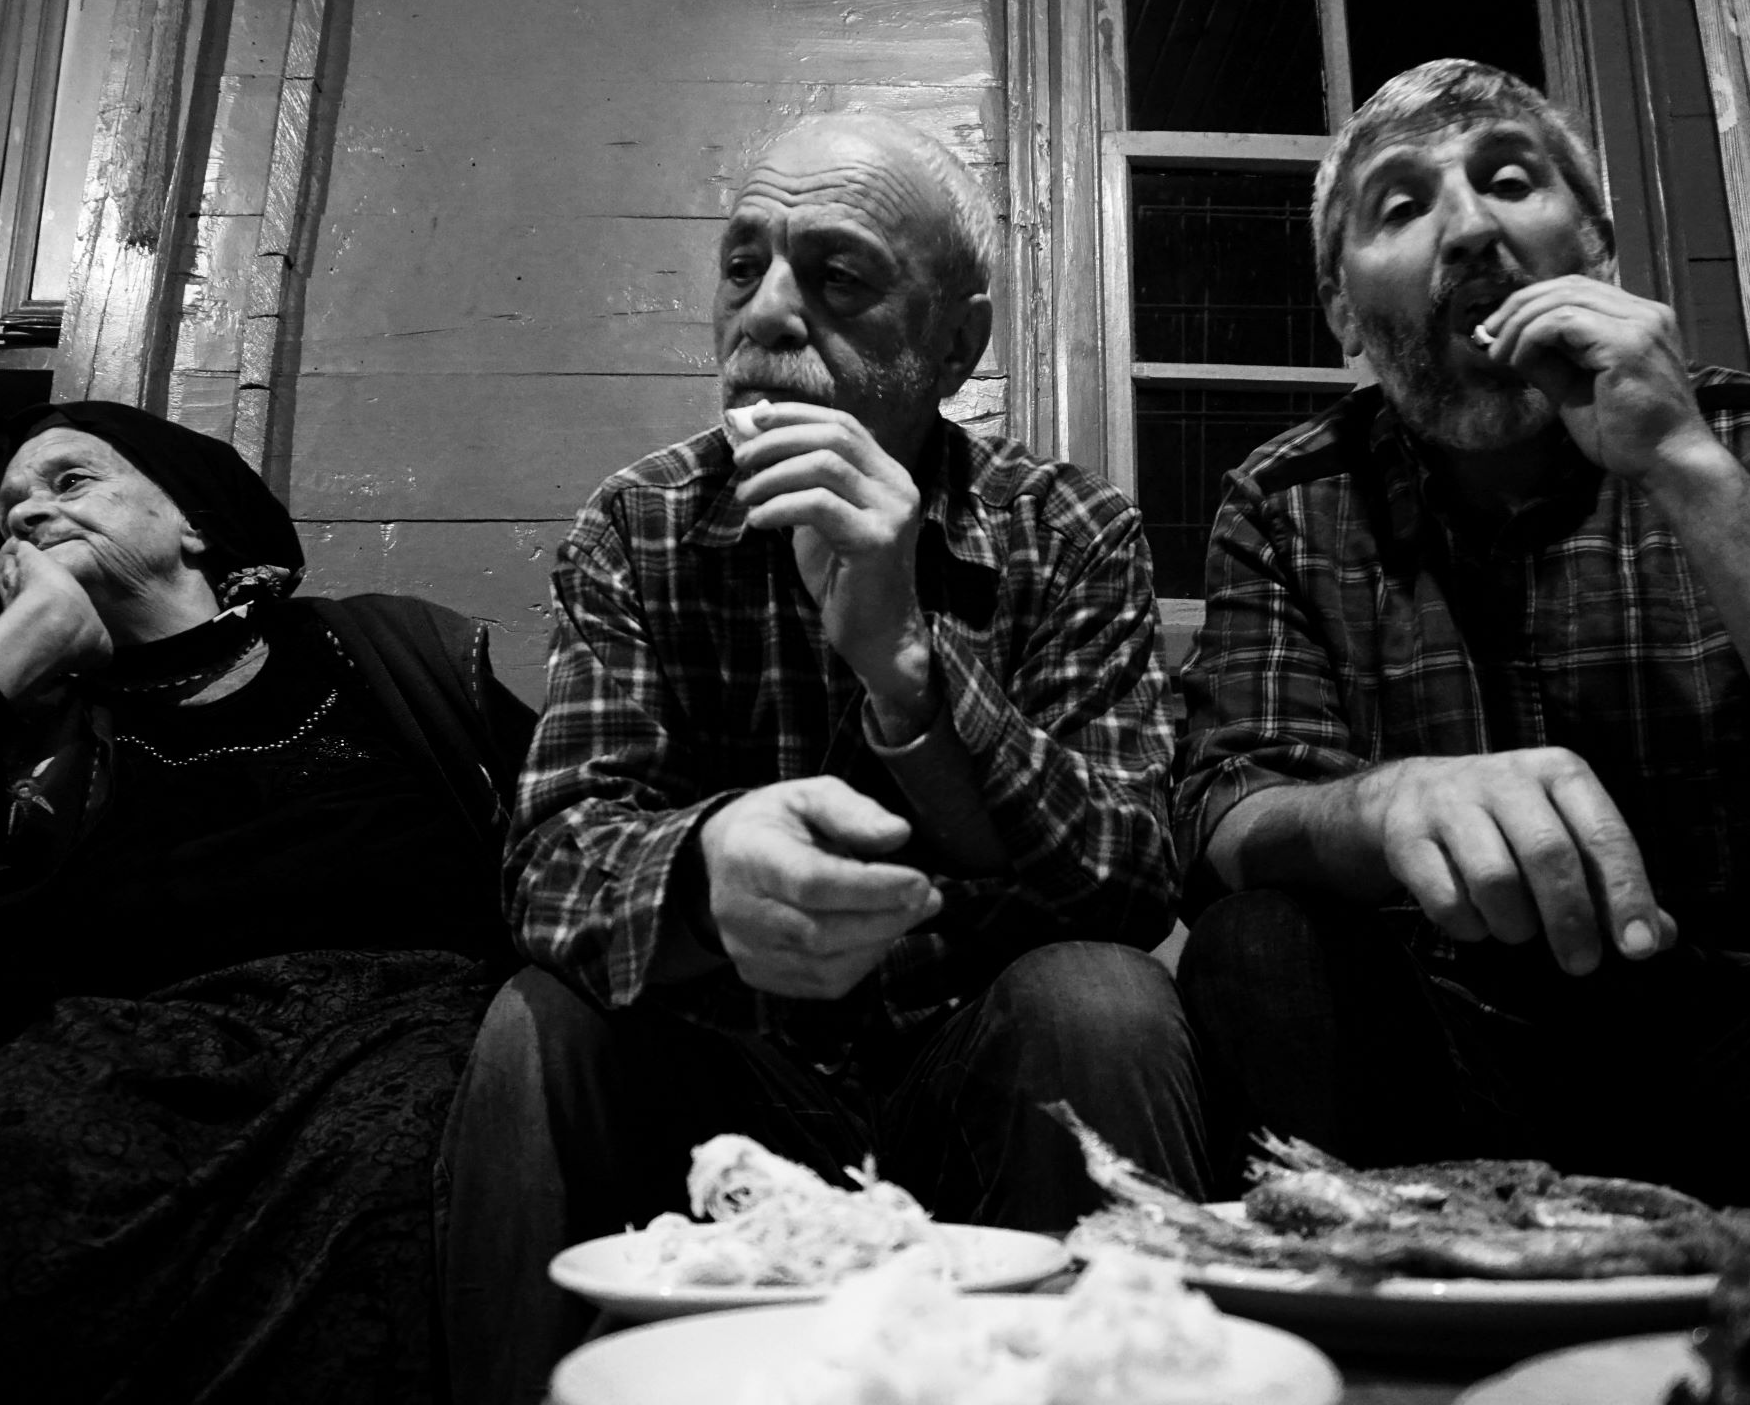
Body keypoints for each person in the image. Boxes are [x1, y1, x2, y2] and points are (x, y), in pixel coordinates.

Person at [1173, 59, 1750, 1227]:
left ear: (1595, 242)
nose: (1466, 231)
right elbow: (1224, 809)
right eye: (1402, 207)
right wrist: (1383, 803)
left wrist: (1682, 460)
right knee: (1254, 945)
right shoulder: (1288, 499)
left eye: (1508, 181)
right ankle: (1423, 1341)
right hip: (1450, 1081)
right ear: (1342, 311)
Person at [444, 113, 1200, 1402]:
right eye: (744, 267)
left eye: (836, 277)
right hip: (722, 1091)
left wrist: (907, 668)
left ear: (957, 341)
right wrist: (698, 872)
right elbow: (552, 862)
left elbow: (1129, 878)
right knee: (534, 1026)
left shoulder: (1071, 530)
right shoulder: (641, 525)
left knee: (1102, 999)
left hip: (975, 1075)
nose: (768, 315)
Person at [0, 401, 536, 1405]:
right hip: (121, 1057)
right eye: (8, 509)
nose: (26, 516)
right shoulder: (24, 726)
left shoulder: (381, 658)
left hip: (398, 1029)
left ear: (194, 523)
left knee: (384, 1150)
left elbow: (559, 836)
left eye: (68, 481)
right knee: (31, 1146)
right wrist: (27, 640)